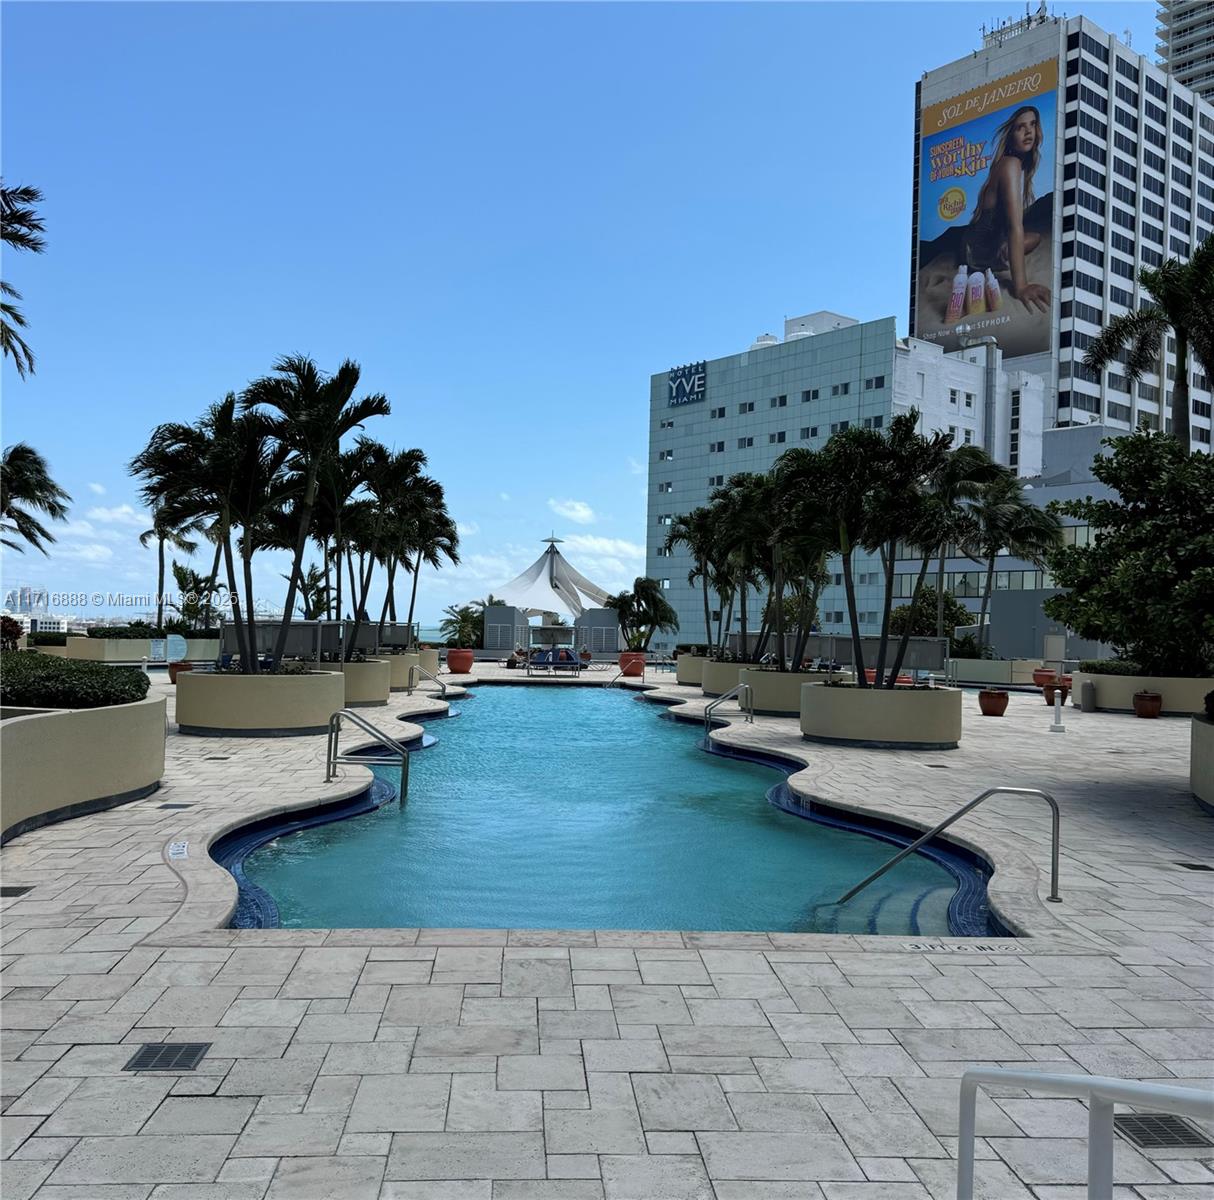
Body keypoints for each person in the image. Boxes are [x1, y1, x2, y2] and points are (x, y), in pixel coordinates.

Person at [963, 105, 1050, 314]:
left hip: (993, 242)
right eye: (1021, 127)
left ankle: (1002, 250)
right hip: (977, 250)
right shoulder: (1009, 164)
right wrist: (1021, 287)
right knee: (1020, 237)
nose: (1028, 131)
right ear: (1011, 136)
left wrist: (1006, 244)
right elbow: (1014, 226)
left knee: (1036, 238)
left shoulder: (1017, 166)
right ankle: (998, 254)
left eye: (1033, 124)